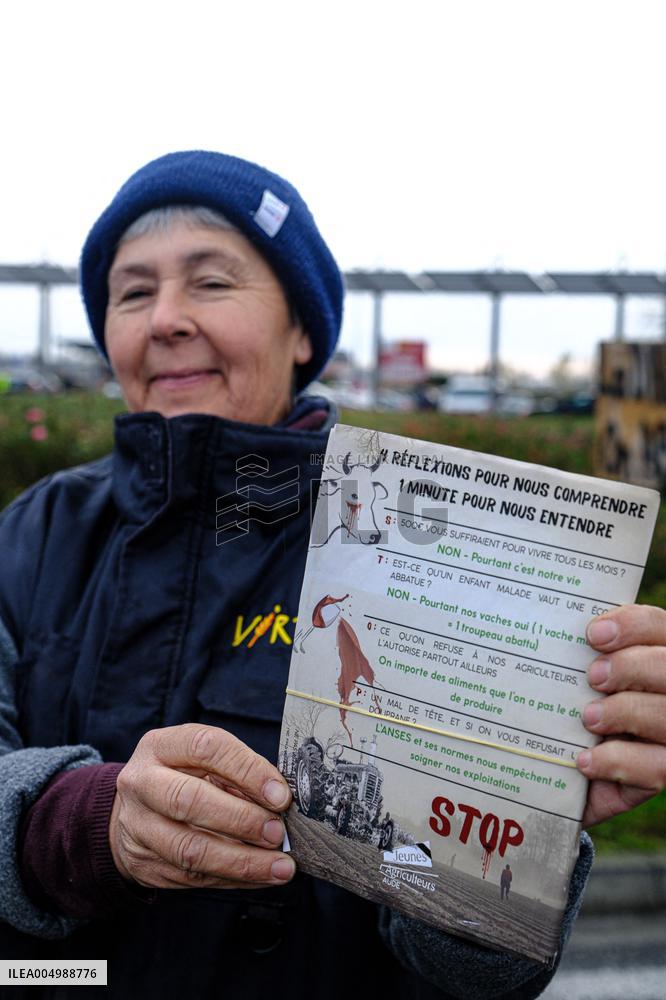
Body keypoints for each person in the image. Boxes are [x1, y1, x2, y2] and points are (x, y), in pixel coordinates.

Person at [0, 150, 665, 999]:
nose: (164, 318)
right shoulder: (34, 533)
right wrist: (83, 828)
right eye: (132, 293)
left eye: (210, 282)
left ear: (304, 332)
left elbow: (472, 974)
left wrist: (511, 839)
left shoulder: (426, 546)